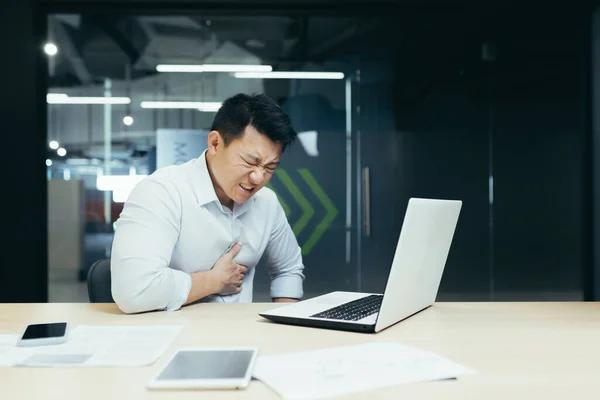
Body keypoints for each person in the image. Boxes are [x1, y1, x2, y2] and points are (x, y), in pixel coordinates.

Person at [110, 93, 305, 314]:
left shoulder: (267, 203)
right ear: (215, 143)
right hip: (171, 337)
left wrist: (286, 321)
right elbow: (133, 290)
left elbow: (288, 269)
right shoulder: (162, 192)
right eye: (250, 161)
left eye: (270, 167)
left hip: (240, 336)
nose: (258, 178)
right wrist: (213, 280)